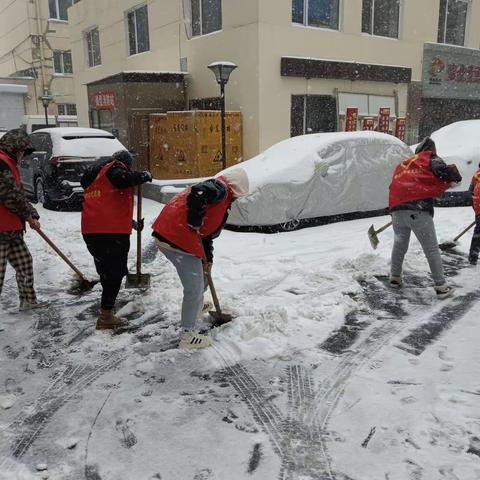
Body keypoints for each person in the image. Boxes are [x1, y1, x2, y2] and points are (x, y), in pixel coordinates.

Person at [151, 168, 249, 350]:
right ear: (235, 189)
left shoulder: (220, 192)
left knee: (201, 277)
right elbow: (198, 193)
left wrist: (208, 260)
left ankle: (195, 308)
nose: (235, 200)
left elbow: (206, 234)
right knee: (194, 288)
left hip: (175, 235)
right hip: (176, 238)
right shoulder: (220, 188)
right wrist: (194, 220)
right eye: (237, 196)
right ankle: (187, 336)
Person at [81, 150, 152, 330]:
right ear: (125, 163)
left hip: (92, 230)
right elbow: (122, 180)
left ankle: (107, 307)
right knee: (116, 272)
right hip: (111, 233)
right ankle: (106, 316)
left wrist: (132, 223)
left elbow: (107, 204)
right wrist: (142, 176)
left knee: (106, 271)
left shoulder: (95, 176)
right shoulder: (114, 168)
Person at [388, 137, 462, 298]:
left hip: (397, 209)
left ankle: (395, 278)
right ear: (430, 150)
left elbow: (393, 186)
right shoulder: (430, 158)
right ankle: (441, 287)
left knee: (399, 244)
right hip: (418, 210)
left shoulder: (403, 164)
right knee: (431, 249)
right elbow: (445, 173)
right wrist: (454, 178)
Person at [0, 129, 46, 311]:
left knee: (24, 263)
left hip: (11, 228)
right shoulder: (1, 163)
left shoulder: (9, 163)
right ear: (14, 148)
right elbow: (9, 196)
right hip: (1, 229)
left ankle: (28, 301)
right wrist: (28, 214)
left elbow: (18, 194)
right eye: (22, 151)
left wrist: (31, 213)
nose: (22, 156)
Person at [468, 164, 480, 265]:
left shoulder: (477, 174)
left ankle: (473, 255)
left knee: (478, 233)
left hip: (477, 206)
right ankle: (473, 255)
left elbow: (470, 191)